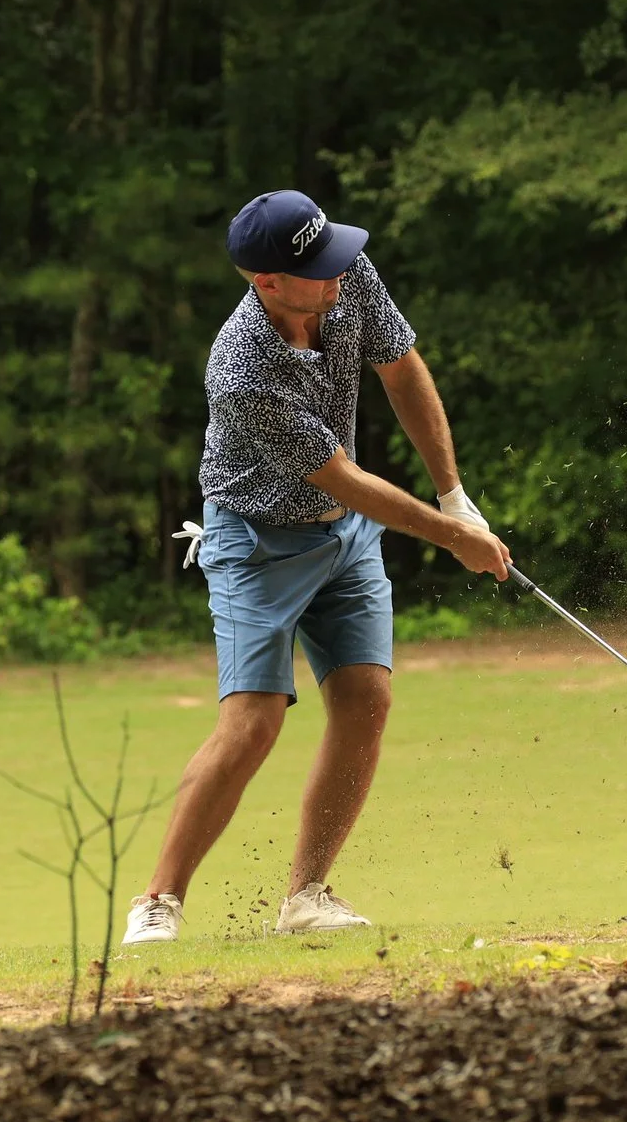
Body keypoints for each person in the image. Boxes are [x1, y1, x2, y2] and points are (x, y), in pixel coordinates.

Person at [122, 190, 512, 944]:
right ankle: (159, 899)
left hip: (348, 536)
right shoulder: (240, 370)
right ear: (265, 280)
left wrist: (455, 497)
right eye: (315, 267)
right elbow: (338, 474)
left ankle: (307, 894)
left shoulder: (347, 273)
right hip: (256, 540)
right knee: (253, 721)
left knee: (367, 698)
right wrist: (449, 537)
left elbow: (402, 371)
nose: (338, 272)